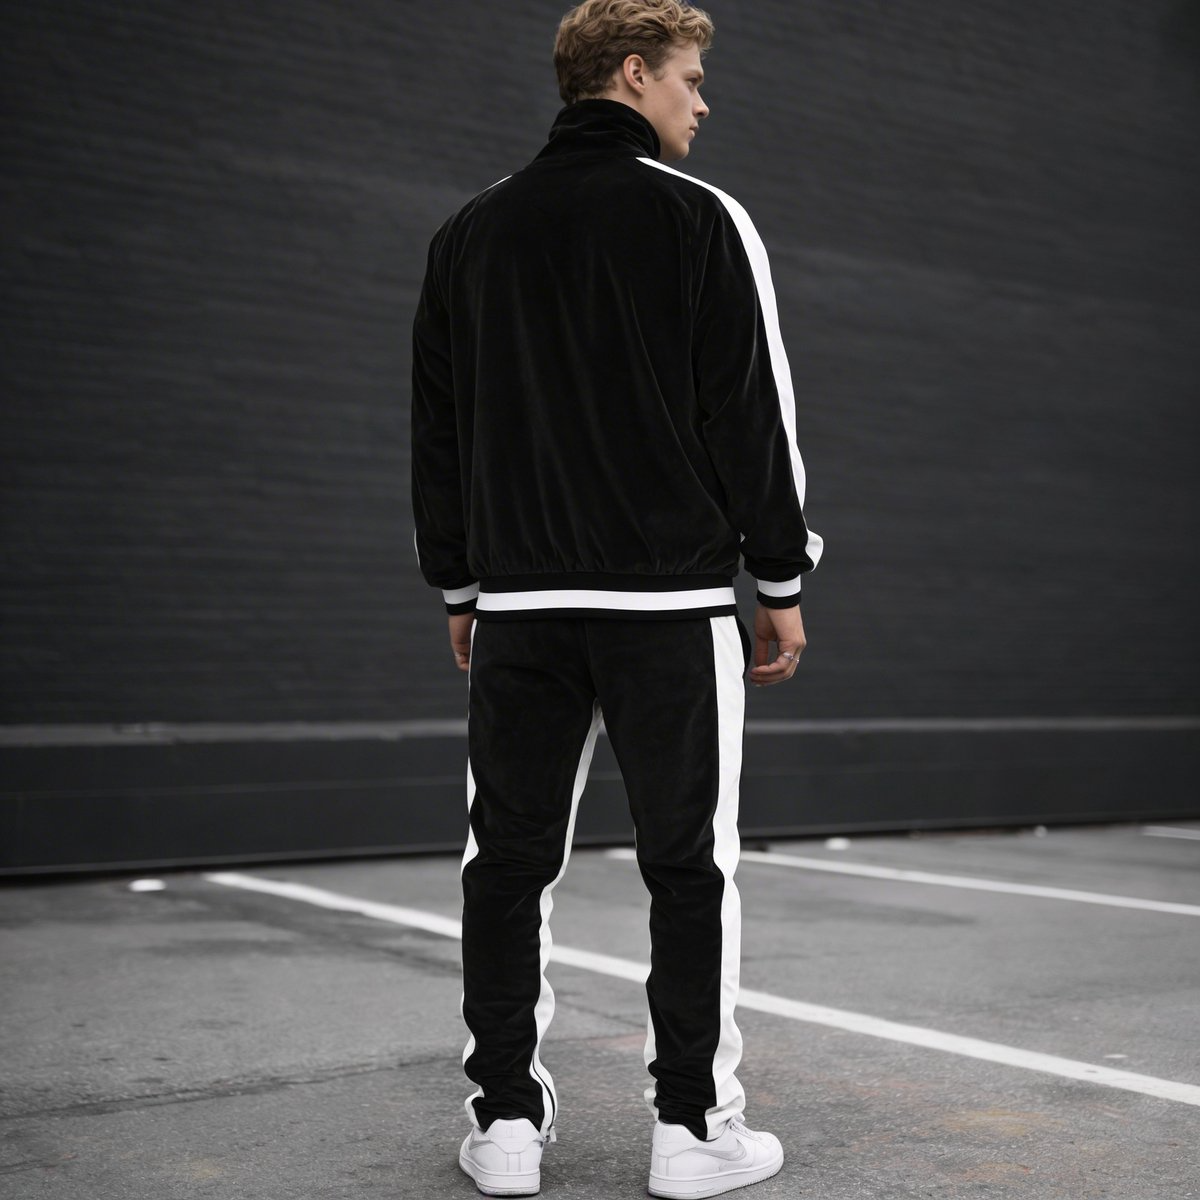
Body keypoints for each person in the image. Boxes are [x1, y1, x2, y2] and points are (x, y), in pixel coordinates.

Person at [411, 1, 823, 1194]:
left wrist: (460, 582)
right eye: (691, 78)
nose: (704, 100)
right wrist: (781, 576)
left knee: (506, 862)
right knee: (688, 866)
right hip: (668, 611)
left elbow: (439, 432)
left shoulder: (469, 233)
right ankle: (692, 1132)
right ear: (633, 74)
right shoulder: (701, 218)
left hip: (522, 610)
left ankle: (504, 1127)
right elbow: (750, 413)